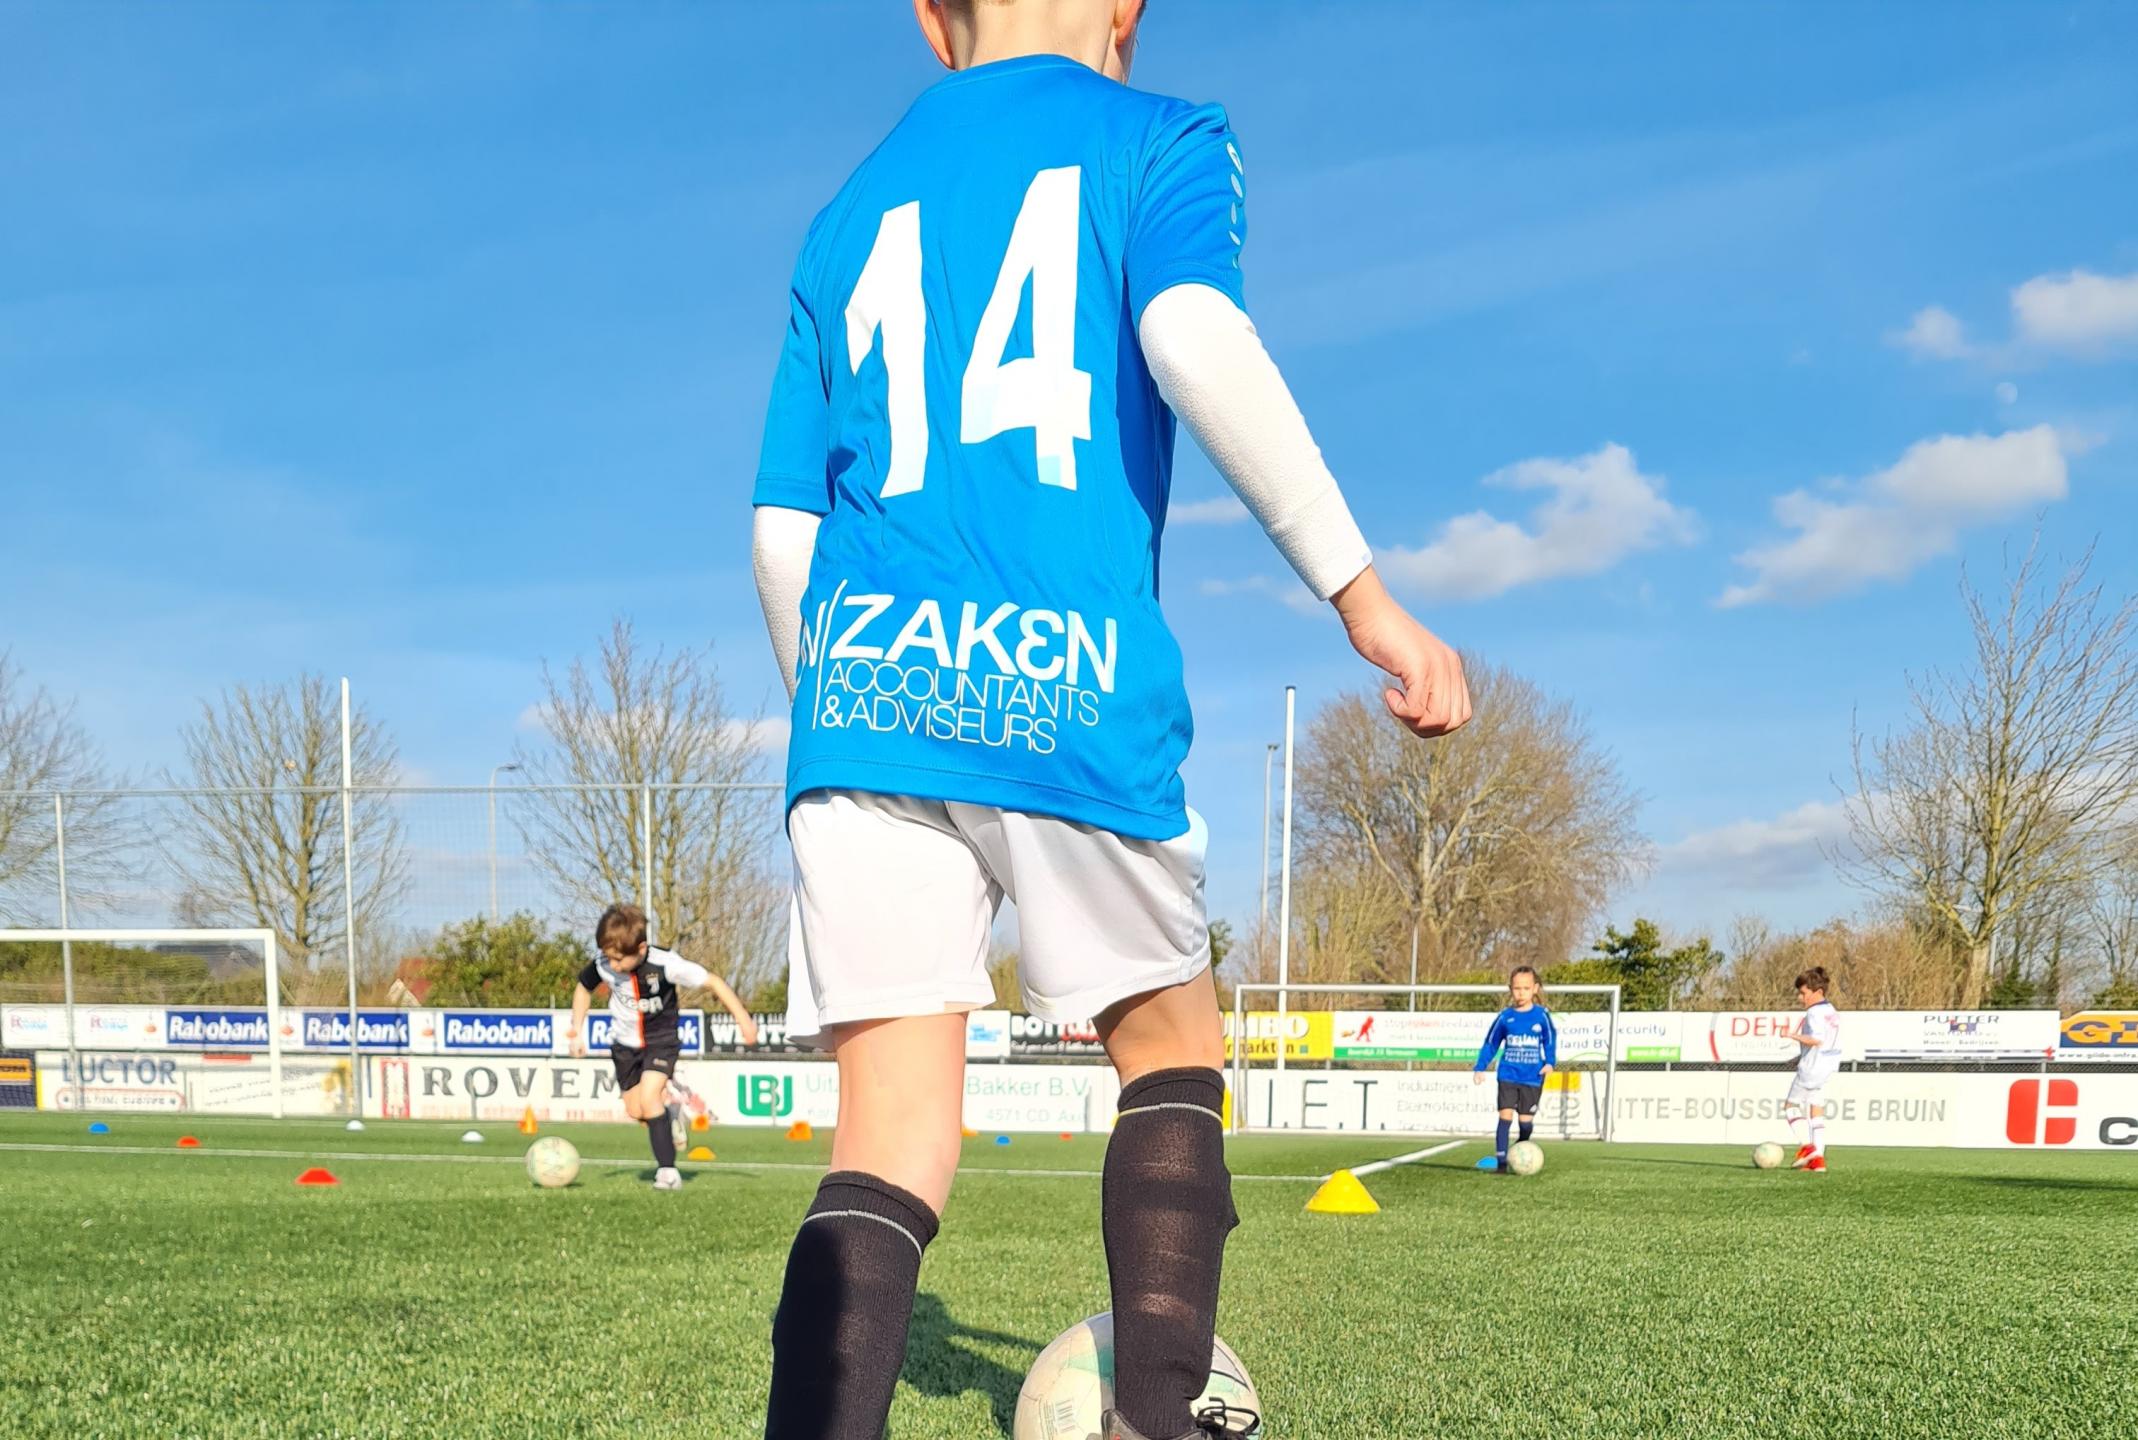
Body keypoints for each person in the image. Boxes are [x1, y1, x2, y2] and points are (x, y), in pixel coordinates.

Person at [749, 2, 1471, 1435]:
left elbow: (781, 531)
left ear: (925, 13)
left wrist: (844, 711)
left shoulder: (845, 212)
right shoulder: (1158, 140)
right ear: (1128, 6)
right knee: (1169, 1049)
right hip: (1058, 677)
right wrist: (1364, 598)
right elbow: (1193, 334)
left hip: (862, 703)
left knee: (890, 1131)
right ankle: (1152, 1416)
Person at [566, 903, 760, 1190]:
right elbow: (583, 988)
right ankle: (671, 1118)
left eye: (620, 959)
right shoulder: (603, 965)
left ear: (641, 948)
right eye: (609, 957)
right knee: (636, 1110)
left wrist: (744, 1020)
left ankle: (668, 1172)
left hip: (661, 1041)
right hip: (624, 1046)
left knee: (649, 1098)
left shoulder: (667, 963)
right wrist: (577, 1029)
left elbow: (714, 982)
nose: (614, 965)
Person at [1472, 966, 1557, 1172]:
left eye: (1526, 988)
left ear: (1535, 989)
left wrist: (1550, 1062)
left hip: (1532, 1076)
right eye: (1517, 988)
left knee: (1525, 1122)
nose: (1521, 993)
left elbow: (1550, 1040)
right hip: (1508, 1074)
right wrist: (1480, 1067)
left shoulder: (1541, 1016)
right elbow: (1491, 1043)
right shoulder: (1505, 1017)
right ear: (1511, 989)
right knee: (1505, 1116)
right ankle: (1501, 1162)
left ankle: (1519, 1152)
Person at [1782, 965, 1841, 1173]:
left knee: (1790, 1107)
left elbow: (1816, 1039)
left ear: (1818, 992)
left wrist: (1792, 1035)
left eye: (1803, 993)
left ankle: (1808, 1149)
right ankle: (1818, 1162)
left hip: (1812, 1068)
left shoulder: (1814, 1013)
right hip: (1827, 1066)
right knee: (1816, 1111)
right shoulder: (1830, 1010)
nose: (1800, 998)